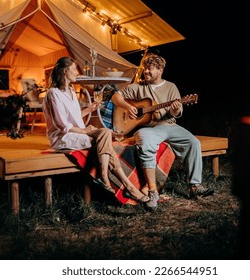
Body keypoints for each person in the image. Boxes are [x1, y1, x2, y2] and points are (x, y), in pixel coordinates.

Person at [111, 53, 214, 210]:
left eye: (150, 69)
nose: (146, 72)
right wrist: (128, 107)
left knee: (193, 142)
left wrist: (174, 109)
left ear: (160, 70)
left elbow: (176, 114)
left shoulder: (171, 87)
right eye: (145, 68)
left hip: (169, 125)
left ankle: (195, 186)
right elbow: (115, 97)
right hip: (147, 128)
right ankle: (153, 191)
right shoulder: (138, 87)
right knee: (145, 142)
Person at [42, 56, 149, 203]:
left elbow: (74, 117)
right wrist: (86, 131)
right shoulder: (53, 93)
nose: (76, 73)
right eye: (74, 69)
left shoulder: (71, 90)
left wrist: (89, 109)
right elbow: (62, 125)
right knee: (104, 140)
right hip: (62, 137)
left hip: (77, 132)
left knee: (104, 132)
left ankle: (104, 176)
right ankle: (126, 186)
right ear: (65, 71)